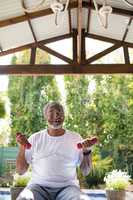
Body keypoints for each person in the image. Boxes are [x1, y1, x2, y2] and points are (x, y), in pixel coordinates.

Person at [16, 102, 93, 200]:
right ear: (45, 116)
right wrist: (22, 147)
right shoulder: (35, 138)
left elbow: (86, 171)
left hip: (68, 188)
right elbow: (20, 171)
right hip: (38, 187)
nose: (56, 115)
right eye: (51, 112)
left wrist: (87, 151)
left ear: (64, 116)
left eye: (59, 112)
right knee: (23, 198)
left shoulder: (75, 138)